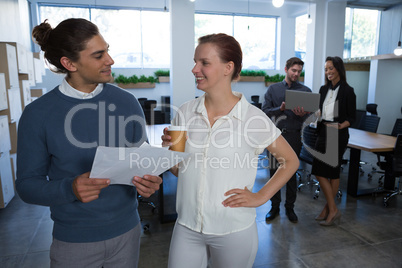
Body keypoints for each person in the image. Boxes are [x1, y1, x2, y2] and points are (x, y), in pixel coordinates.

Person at [16, 18, 162, 267]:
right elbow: (27, 186)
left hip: (128, 233)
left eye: (108, 50)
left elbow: (142, 161)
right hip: (74, 243)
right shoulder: (37, 114)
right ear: (69, 63)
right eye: (98, 55)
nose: (110, 60)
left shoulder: (127, 102)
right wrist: (69, 189)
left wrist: (149, 181)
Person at [161, 33, 299, 268]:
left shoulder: (253, 118)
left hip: (233, 230)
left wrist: (261, 196)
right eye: (195, 62)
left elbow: (291, 161)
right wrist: (170, 154)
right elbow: (180, 171)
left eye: (204, 62)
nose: (195, 69)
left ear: (228, 67)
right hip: (187, 227)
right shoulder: (184, 112)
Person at [261, 57, 311, 223]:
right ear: (286, 69)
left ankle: (290, 208)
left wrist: (304, 114)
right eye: (293, 70)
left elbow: (312, 117)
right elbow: (265, 112)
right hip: (274, 136)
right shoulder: (273, 90)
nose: (296, 74)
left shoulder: (305, 91)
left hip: (294, 135)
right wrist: (280, 109)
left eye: (299, 71)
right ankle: (274, 207)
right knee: (274, 172)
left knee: (291, 173)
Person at [311, 56, 356, 226]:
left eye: (330, 68)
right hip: (323, 131)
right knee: (318, 169)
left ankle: (329, 210)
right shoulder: (323, 90)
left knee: (332, 172)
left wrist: (341, 125)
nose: (328, 72)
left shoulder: (348, 91)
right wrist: (318, 114)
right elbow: (322, 110)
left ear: (338, 69)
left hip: (338, 134)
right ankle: (332, 208)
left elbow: (353, 116)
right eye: (326, 69)